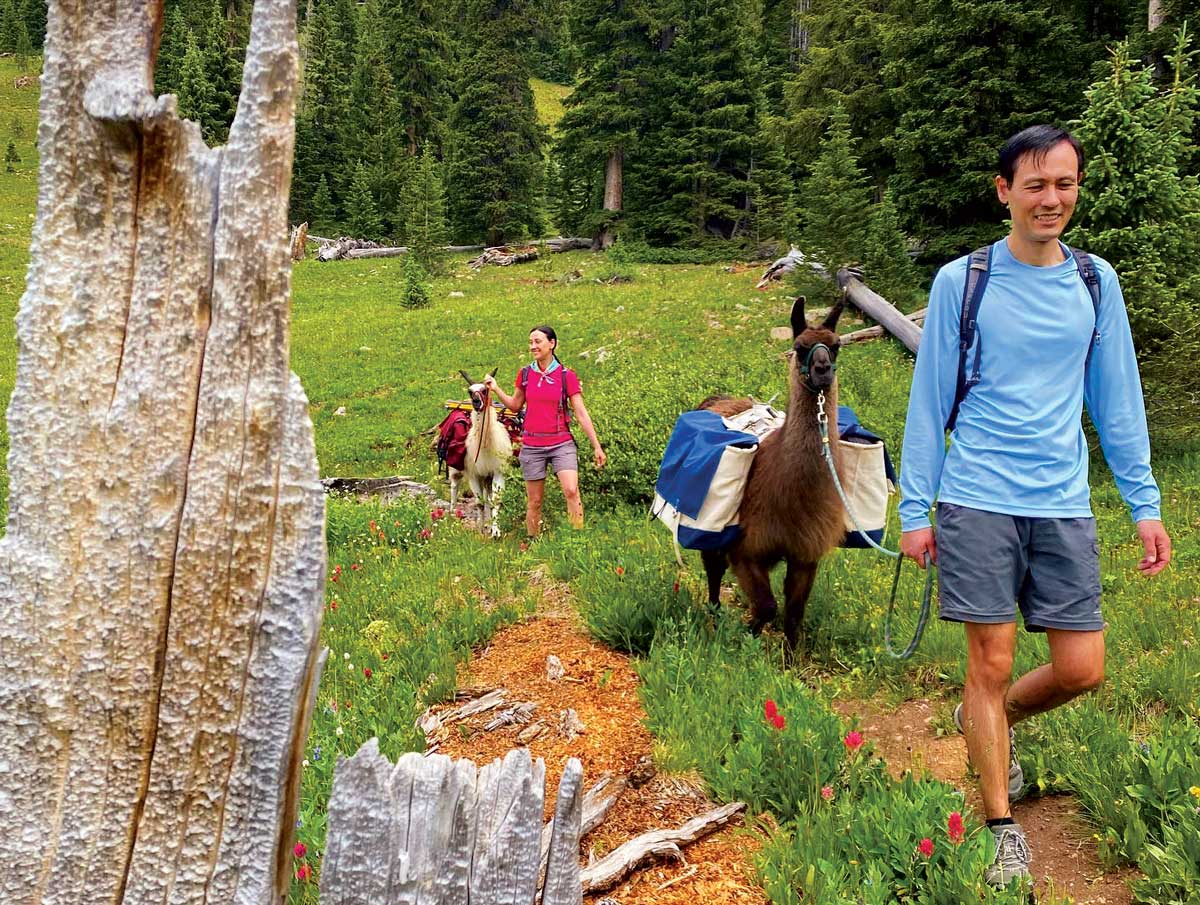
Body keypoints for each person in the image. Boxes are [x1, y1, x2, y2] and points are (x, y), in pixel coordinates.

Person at [898, 125, 1172, 889]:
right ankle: (999, 822)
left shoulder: (1095, 282)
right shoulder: (965, 280)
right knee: (989, 660)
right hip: (978, 495)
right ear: (1004, 191)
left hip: (1062, 501)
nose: (1052, 198)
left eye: (1065, 184)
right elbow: (929, 402)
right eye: (1036, 184)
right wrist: (915, 508)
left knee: (1081, 667)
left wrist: (1143, 503)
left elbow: (1117, 398)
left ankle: (988, 724)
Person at [485, 325, 606, 535]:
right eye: (531, 342)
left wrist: (597, 446)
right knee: (534, 501)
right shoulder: (524, 374)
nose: (533, 346)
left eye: (538, 341)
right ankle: (533, 542)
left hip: (562, 442)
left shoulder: (566, 376)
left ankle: (577, 539)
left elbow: (580, 412)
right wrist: (495, 389)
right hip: (532, 445)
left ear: (552, 344)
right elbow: (515, 405)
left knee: (571, 490)